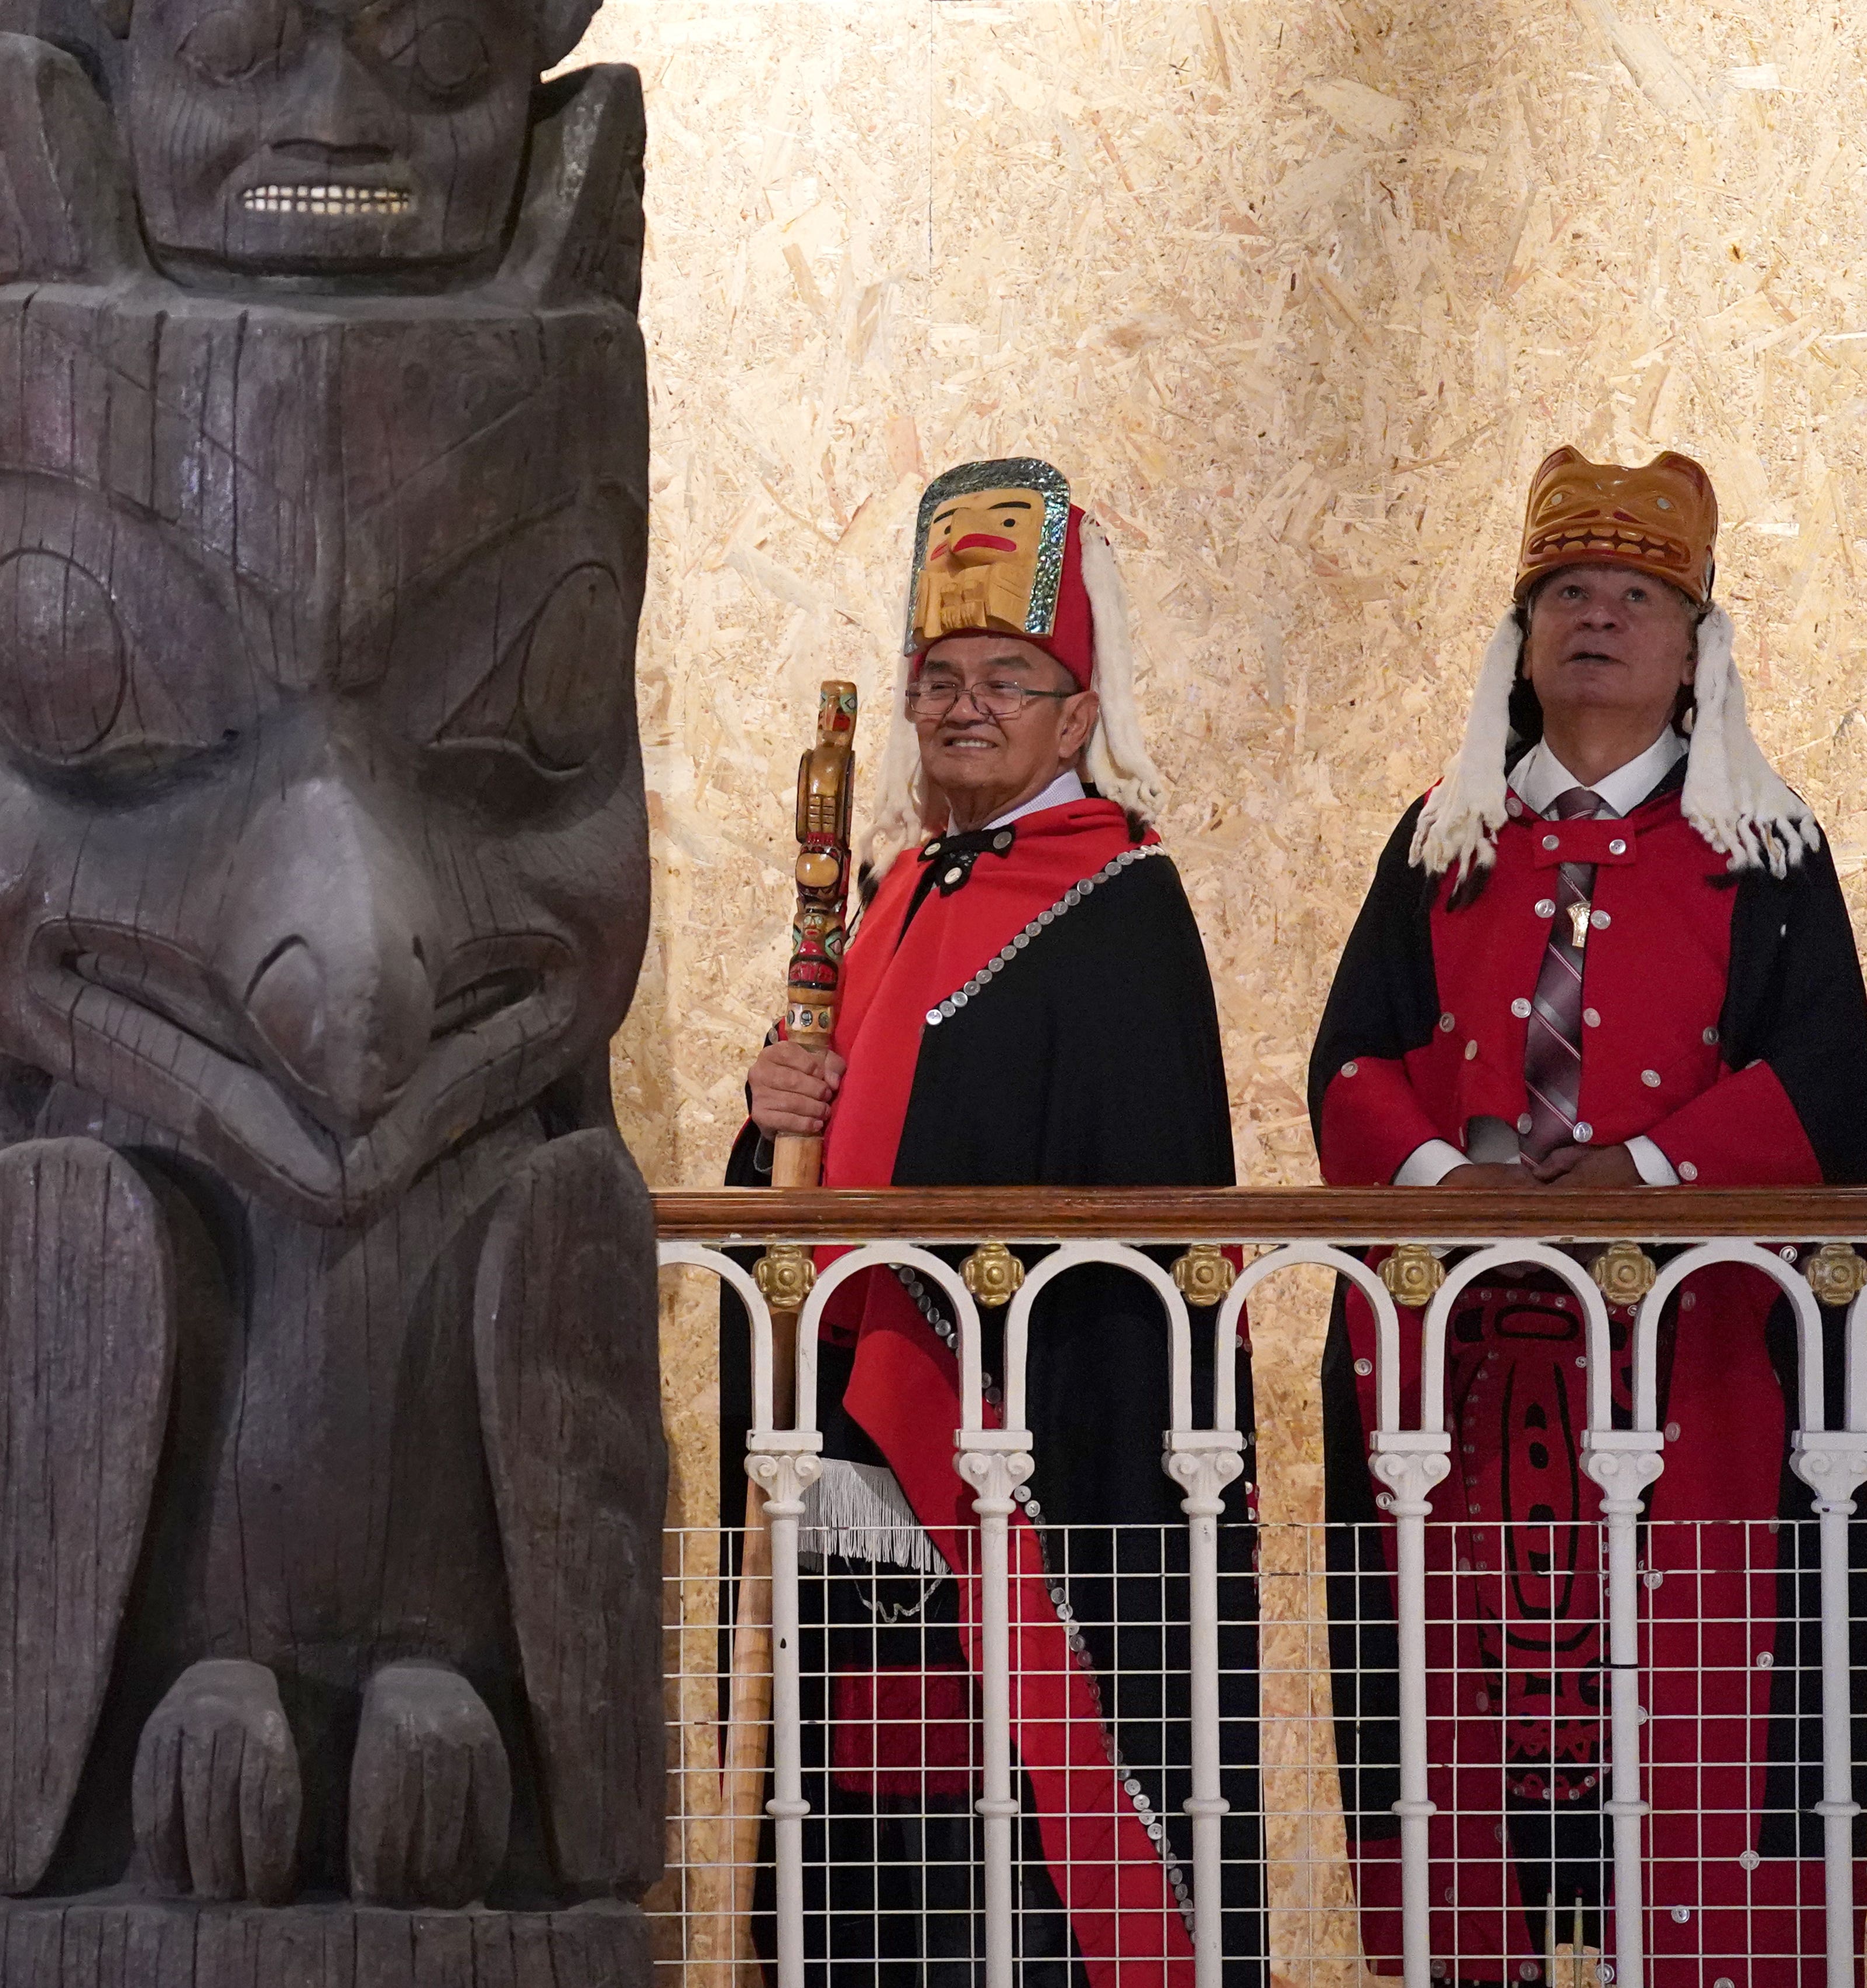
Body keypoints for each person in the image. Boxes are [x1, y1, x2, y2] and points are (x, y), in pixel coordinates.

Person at [1310, 448, 1867, 1983]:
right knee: (1459, 1759)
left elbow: (1830, 1076)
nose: (1599, 616)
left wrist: (1661, 1176)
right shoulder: (1441, 838)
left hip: (1698, 1381)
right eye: (1568, 590)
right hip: (1464, 1394)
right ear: (1523, 631)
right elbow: (1349, 1060)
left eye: (1638, 594)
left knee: (1690, 1746)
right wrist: (1447, 1186)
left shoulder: (1770, 847)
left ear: (1698, 645)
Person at [729, 459, 1264, 1983]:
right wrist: (773, 1108)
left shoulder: (1124, 901)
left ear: (1076, 710)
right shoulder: (890, 888)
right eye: (940, 678)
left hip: (1017, 1465)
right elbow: (816, 1157)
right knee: (874, 1841)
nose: (967, 707)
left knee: (1013, 1863)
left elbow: (1136, 1220)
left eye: (1009, 680)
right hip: (849, 1453)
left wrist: (942, 1373)